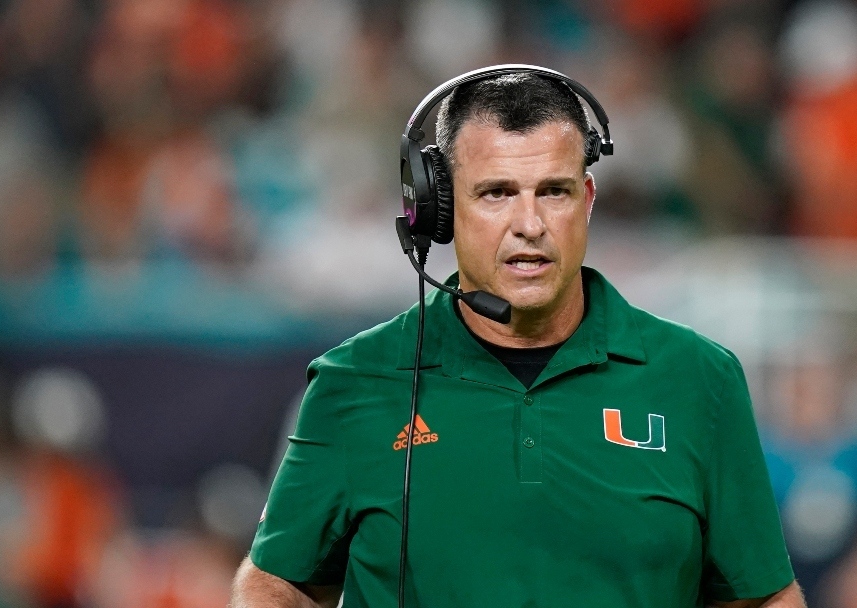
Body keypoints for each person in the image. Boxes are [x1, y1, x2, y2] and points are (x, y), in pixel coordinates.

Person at [230, 70, 804, 607]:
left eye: (553, 191)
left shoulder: (700, 379)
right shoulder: (354, 383)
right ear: (440, 210)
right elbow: (277, 580)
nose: (529, 224)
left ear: (588, 201)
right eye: (496, 193)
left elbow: (763, 596)